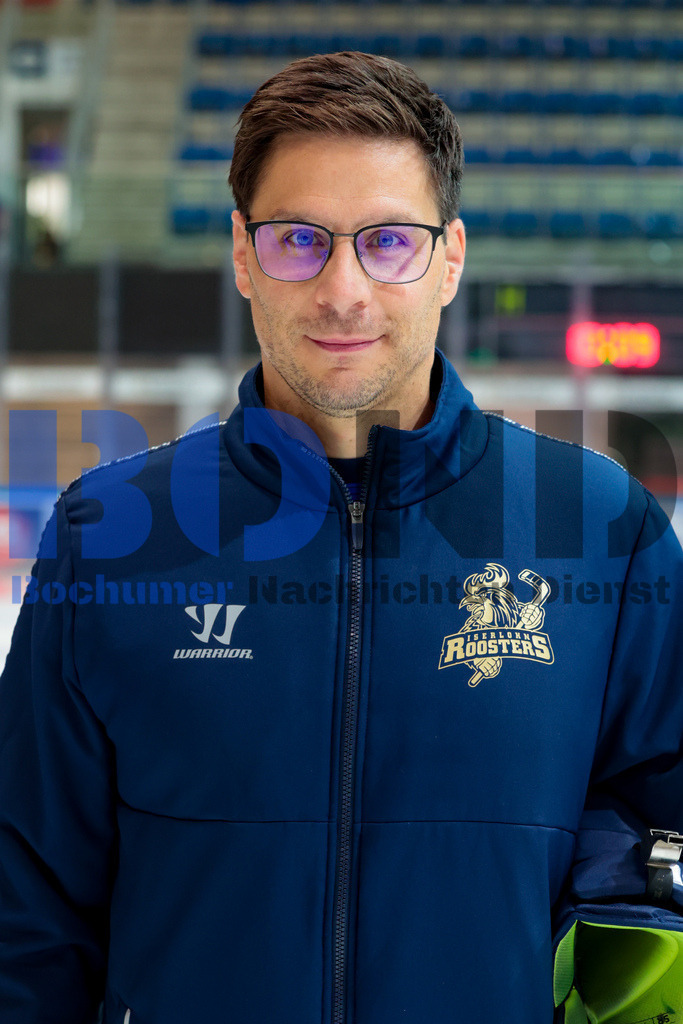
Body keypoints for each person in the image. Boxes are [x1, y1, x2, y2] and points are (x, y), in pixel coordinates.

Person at [1, 50, 682, 1024]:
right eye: (297, 240)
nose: (342, 289)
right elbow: (25, 913)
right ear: (242, 253)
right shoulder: (107, 535)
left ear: (449, 259)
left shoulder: (601, 529)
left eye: (388, 243)